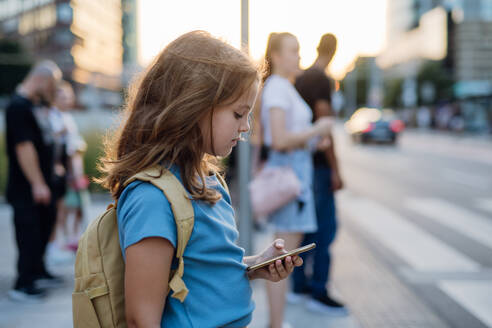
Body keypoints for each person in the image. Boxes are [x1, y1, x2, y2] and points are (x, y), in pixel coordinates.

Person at [96, 31, 304, 328]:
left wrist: (255, 265)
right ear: (193, 105)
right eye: (237, 114)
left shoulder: (208, 182)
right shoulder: (152, 197)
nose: (245, 127)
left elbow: (201, 269)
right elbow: (141, 320)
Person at [260, 32, 333, 328]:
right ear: (276, 56)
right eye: (293, 50)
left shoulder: (284, 87)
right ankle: (275, 324)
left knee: (285, 254)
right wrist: (317, 131)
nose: (299, 56)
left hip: (296, 181)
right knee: (281, 257)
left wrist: (313, 142)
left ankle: (277, 322)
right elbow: (277, 140)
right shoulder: (277, 88)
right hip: (289, 184)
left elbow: (289, 138)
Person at [291, 33, 347, 315]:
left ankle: (299, 285)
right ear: (334, 51)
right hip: (318, 167)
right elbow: (325, 126)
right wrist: (336, 169)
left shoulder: (300, 79)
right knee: (324, 229)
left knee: (306, 226)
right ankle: (319, 289)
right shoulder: (321, 79)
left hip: (302, 164)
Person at [5, 60, 64, 302]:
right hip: (26, 187)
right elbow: (24, 147)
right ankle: (23, 284)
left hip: (44, 183)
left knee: (43, 226)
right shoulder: (18, 106)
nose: (52, 92)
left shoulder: (34, 106)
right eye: (52, 87)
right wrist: (37, 183)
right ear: (41, 80)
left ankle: (38, 271)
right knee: (28, 232)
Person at [47, 81, 89, 262]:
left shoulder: (67, 117)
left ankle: (71, 239)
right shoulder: (53, 117)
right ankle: (56, 245)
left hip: (74, 172)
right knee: (61, 210)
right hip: (64, 172)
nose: (66, 100)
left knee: (77, 208)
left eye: (68, 97)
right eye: (62, 97)